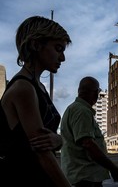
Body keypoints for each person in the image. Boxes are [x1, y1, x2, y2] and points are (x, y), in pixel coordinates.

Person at [0, 16, 72, 186]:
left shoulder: (38, 87)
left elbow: (47, 139)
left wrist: (59, 140)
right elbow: (43, 153)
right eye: (58, 48)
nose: (63, 58)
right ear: (36, 45)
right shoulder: (23, 88)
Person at [60, 76, 118, 187]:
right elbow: (88, 144)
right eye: (98, 92)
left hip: (84, 177)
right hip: (84, 178)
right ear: (94, 93)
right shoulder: (82, 111)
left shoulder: (75, 109)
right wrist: (113, 168)